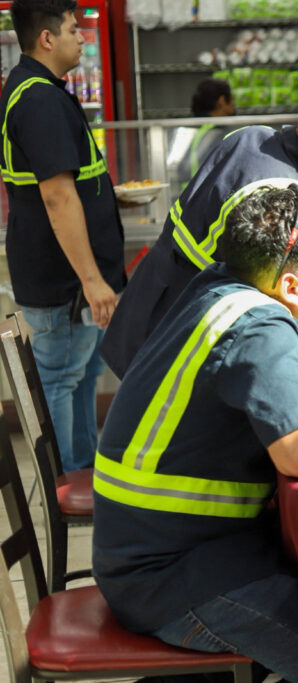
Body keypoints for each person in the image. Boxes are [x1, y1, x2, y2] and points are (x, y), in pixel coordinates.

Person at [92, 186, 298, 683]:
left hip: (143, 552)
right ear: (289, 286)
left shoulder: (219, 285)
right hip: (175, 579)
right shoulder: (260, 325)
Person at [99, 88, 298, 379]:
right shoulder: (282, 197)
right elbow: (275, 297)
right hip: (182, 324)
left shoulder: (253, 135)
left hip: (156, 293)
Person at [0, 0, 125, 471]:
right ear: (47, 38)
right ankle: (66, 481)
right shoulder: (39, 100)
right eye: (75, 29)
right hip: (65, 283)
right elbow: (57, 198)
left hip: (70, 280)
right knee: (61, 378)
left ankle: (83, 471)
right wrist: (92, 281)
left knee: (82, 373)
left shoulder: (42, 89)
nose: (83, 37)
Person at [176, 77, 235, 187]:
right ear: (222, 101)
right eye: (232, 99)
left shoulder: (188, 128)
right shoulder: (219, 131)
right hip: (204, 196)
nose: (233, 104)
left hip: (184, 195)